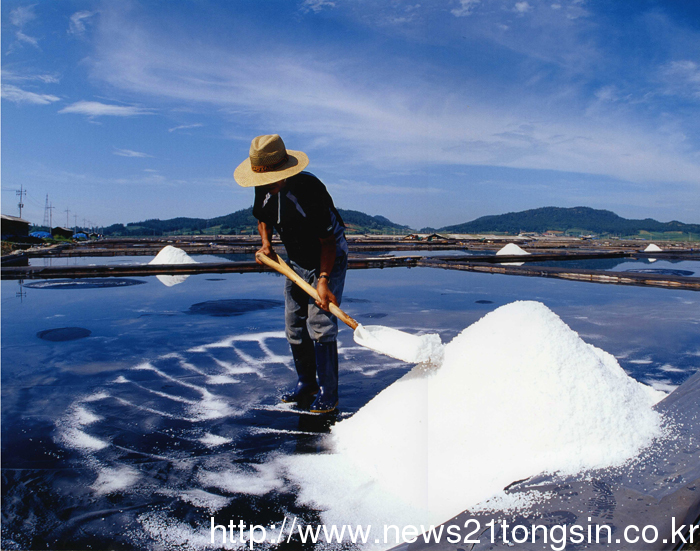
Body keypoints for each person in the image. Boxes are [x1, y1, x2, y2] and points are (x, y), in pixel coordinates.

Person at [234, 134, 348, 413]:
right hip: (294, 260)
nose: (265, 186)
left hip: (327, 257)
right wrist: (266, 245)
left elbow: (328, 241)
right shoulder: (263, 185)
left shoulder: (310, 190)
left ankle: (328, 392)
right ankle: (306, 382)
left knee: (320, 322)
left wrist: (323, 280)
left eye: (271, 179)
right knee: (294, 324)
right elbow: (262, 217)